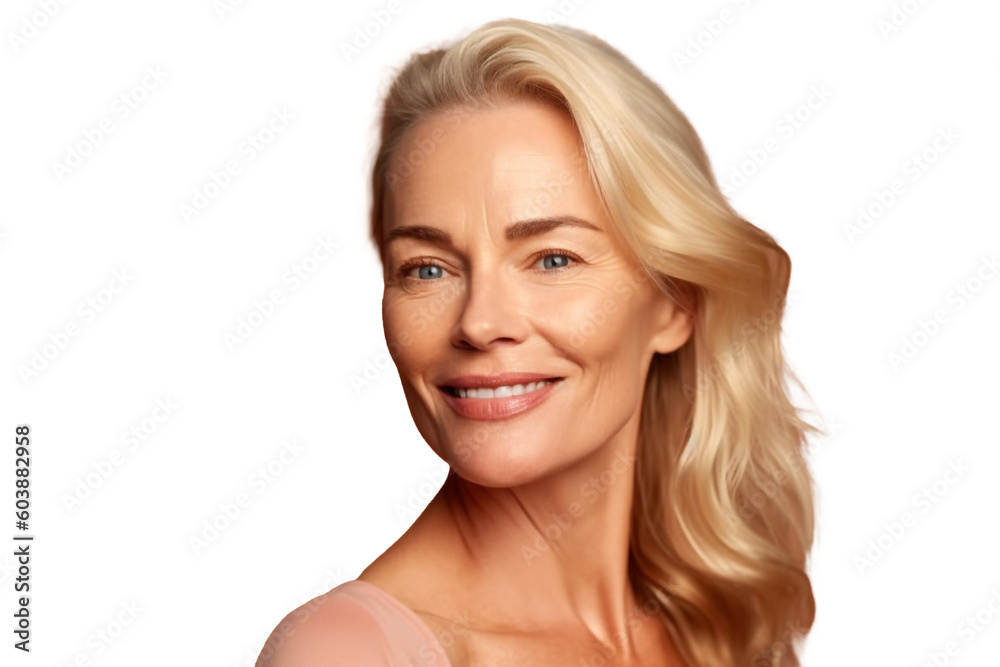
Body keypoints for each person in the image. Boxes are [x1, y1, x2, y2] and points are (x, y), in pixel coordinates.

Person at [257, 17, 818, 667]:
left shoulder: (716, 620)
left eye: (552, 259)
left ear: (675, 301)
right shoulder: (348, 652)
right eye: (428, 269)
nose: (479, 322)